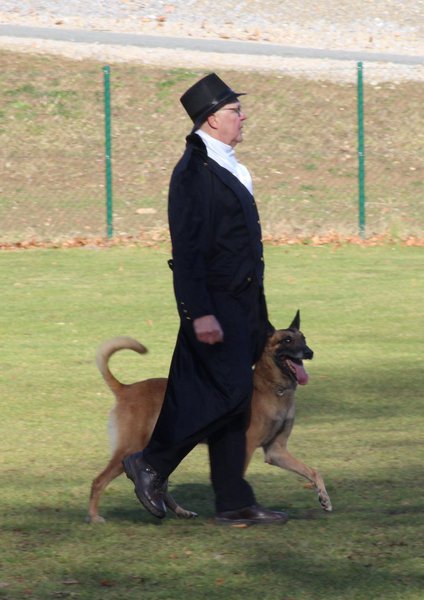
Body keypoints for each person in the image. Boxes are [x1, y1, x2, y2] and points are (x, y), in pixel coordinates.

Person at [123, 73, 288, 525]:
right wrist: (199, 313)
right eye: (235, 110)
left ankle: (234, 502)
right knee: (225, 395)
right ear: (212, 118)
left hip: (244, 305)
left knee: (234, 402)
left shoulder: (232, 166)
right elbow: (188, 250)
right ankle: (150, 462)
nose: (243, 116)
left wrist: (258, 312)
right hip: (213, 307)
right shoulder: (193, 173)